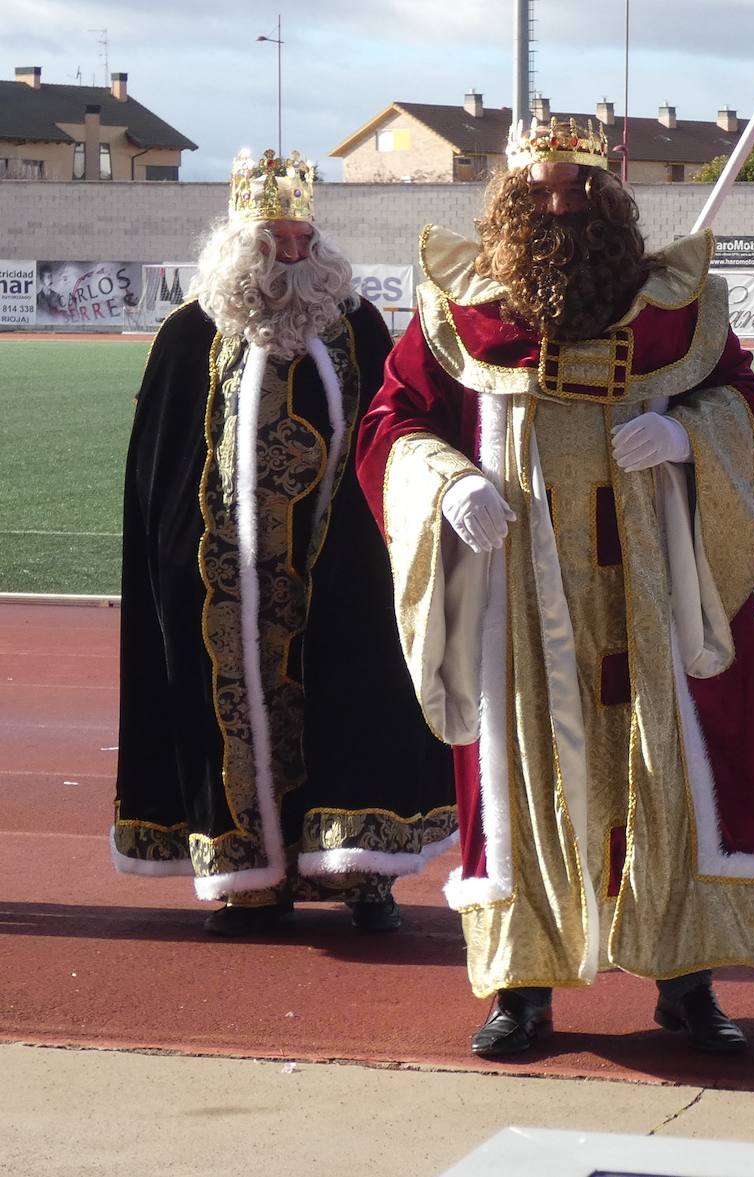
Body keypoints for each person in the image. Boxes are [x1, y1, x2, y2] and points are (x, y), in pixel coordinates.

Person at [355, 119, 754, 1057]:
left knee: (670, 769)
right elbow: (393, 421)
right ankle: (522, 987)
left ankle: (685, 976)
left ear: (609, 198)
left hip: (655, 581)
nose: (561, 205)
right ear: (511, 197)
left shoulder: (671, 302)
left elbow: (740, 395)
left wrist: (689, 439)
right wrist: (450, 479)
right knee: (525, 779)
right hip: (519, 586)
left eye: (579, 190)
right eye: (542, 189)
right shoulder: (458, 305)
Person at [113, 149, 456, 935]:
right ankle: (248, 878)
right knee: (230, 714)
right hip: (225, 575)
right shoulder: (189, 333)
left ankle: (360, 867)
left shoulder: (359, 323)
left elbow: (393, 429)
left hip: (345, 564)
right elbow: (160, 467)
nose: (294, 255)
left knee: (357, 701)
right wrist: (182, 559)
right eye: (276, 242)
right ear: (242, 240)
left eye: (303, 238)